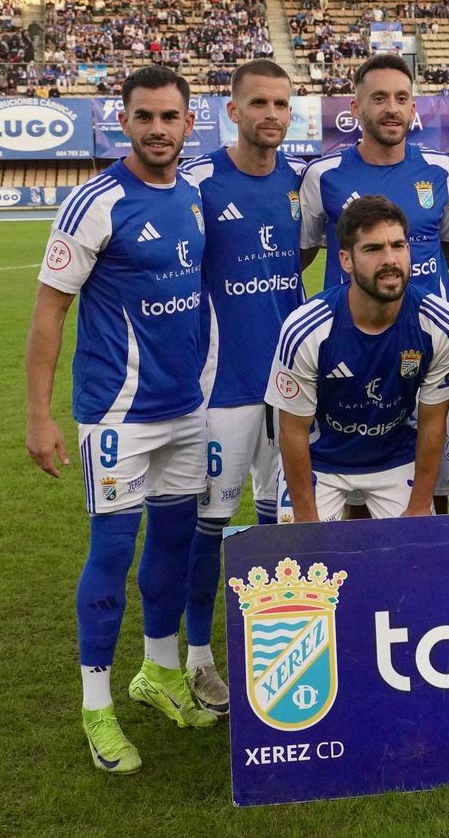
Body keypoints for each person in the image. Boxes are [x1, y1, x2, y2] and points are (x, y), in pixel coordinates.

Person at [24, 65, 218, 777]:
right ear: (124, 121)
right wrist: (39, 416)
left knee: (172, 549)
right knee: (111, 553)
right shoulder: (94, 202)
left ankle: (159, 674)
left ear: (189, 122)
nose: (159, 129)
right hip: (117, 415)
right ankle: (96, 706)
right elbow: (50, 310)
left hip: (184, 412)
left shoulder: (194, 196)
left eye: (171, 116)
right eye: (145, 116)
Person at [175, 59, 306, 715]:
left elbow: (303, 261)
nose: (272, 115)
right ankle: (198, 661)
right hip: (222, 389)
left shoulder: (298, 184)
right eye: (259, 103)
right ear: (231, 110)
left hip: (288, 389)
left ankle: (273, 652)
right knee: (211, 524)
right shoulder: (199, 182)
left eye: (282, 104)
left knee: (278, 522)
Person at [299, 53, 449, 512]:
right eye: (378, 98)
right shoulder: (323, 175)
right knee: (356, 477)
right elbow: (307, 251)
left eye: (401, 98)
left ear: (414, 108)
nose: (391, 108)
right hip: (355, 348)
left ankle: (425, 562)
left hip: (429, 349)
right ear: (355, 108)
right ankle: (358, 579)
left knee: (435, 484)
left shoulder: (441, 170)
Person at [266, 195, 449, 522]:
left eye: (398, 245)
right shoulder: (305, 330)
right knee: (304, 564)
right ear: (346, 260)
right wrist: (306, 519)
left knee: (414, 565)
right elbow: (293, 432)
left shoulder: (441, 324)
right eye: (373, 249)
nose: (390, 259)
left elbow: (432, 422)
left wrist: (418, 505)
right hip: (321, 462)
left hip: (395, 458)